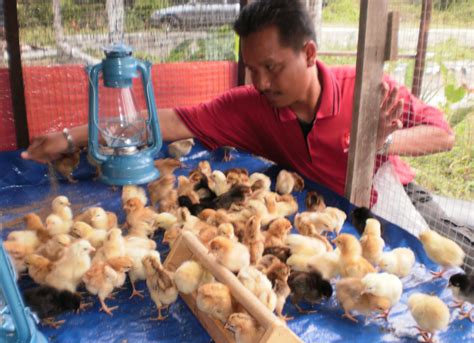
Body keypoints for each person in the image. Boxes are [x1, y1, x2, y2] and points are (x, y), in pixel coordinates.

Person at [21, 1, 471, 269]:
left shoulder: (367, 91)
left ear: (309, 53)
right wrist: (70, 136)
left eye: (271, 67)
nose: (259, 82)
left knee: (457, 263)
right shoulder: (252, 105)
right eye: (252, 69)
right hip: (326, 212)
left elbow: (443, 133)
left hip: (396, 202)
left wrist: (385, 143)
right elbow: (173, 120)